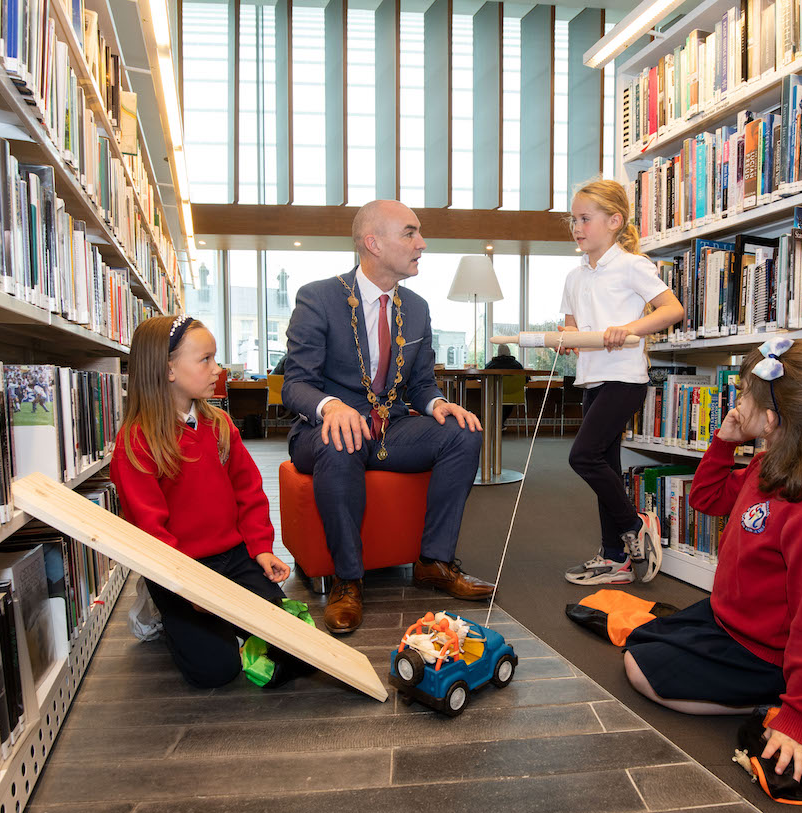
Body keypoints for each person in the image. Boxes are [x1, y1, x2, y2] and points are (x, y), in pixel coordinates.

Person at [623, 338, 802, 784]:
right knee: (640, 641)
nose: (737, 403)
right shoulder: (772, 466)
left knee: (643, 672)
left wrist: (799, 719)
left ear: (770, 419)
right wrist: (724, 441)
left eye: (744, 394)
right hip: (729, 621)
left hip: (766, 651)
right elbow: (707, 498)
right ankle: (792, 690)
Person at [282, 200, 494, 635]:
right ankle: (348, 580)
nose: (422, 243)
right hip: (326, 430)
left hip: (390, 429)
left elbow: (420, 383)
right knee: (342, 441)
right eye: (411, 233)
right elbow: (295, 384)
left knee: (463, 433)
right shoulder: (318, 297)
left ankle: (433, 561)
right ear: (373, 243)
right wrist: (331, 407)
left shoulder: (415, 307)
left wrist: (438, 404)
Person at [111, 314, 303, 688]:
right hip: (181, 568)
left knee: (295, 647)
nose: (218, 369)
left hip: (234, 556)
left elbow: (248, 491)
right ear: (168, 370)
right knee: (215, 671)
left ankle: (228, 619)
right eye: (206, 360)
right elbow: (148, 529)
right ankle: (163, 612)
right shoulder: (136, 442)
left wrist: (261, 549)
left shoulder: (219, 426)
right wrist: (187, 587)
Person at [559, 179, 685, 586]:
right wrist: (568, 340)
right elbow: (572, 325)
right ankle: (614, 557)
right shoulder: (574, 276)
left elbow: (672, 309)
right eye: (572, 220)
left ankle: (635, 526)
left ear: (614, 221)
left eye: (585, 219)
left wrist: (627, 328)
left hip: (624, 378)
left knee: (584, 457)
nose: (577, 227)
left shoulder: (632, 264)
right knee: (606, 464)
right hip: (591, 380)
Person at [484, 344, 524, 424]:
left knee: (492, 400)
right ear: (509, 352)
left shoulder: (491, 365)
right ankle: (500, 423)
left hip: (494, 395)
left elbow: (484, 378)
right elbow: (525, 379)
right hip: (513, 395)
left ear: (498, 352)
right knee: (507, 402)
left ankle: (494, 423)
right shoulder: (517, 365)